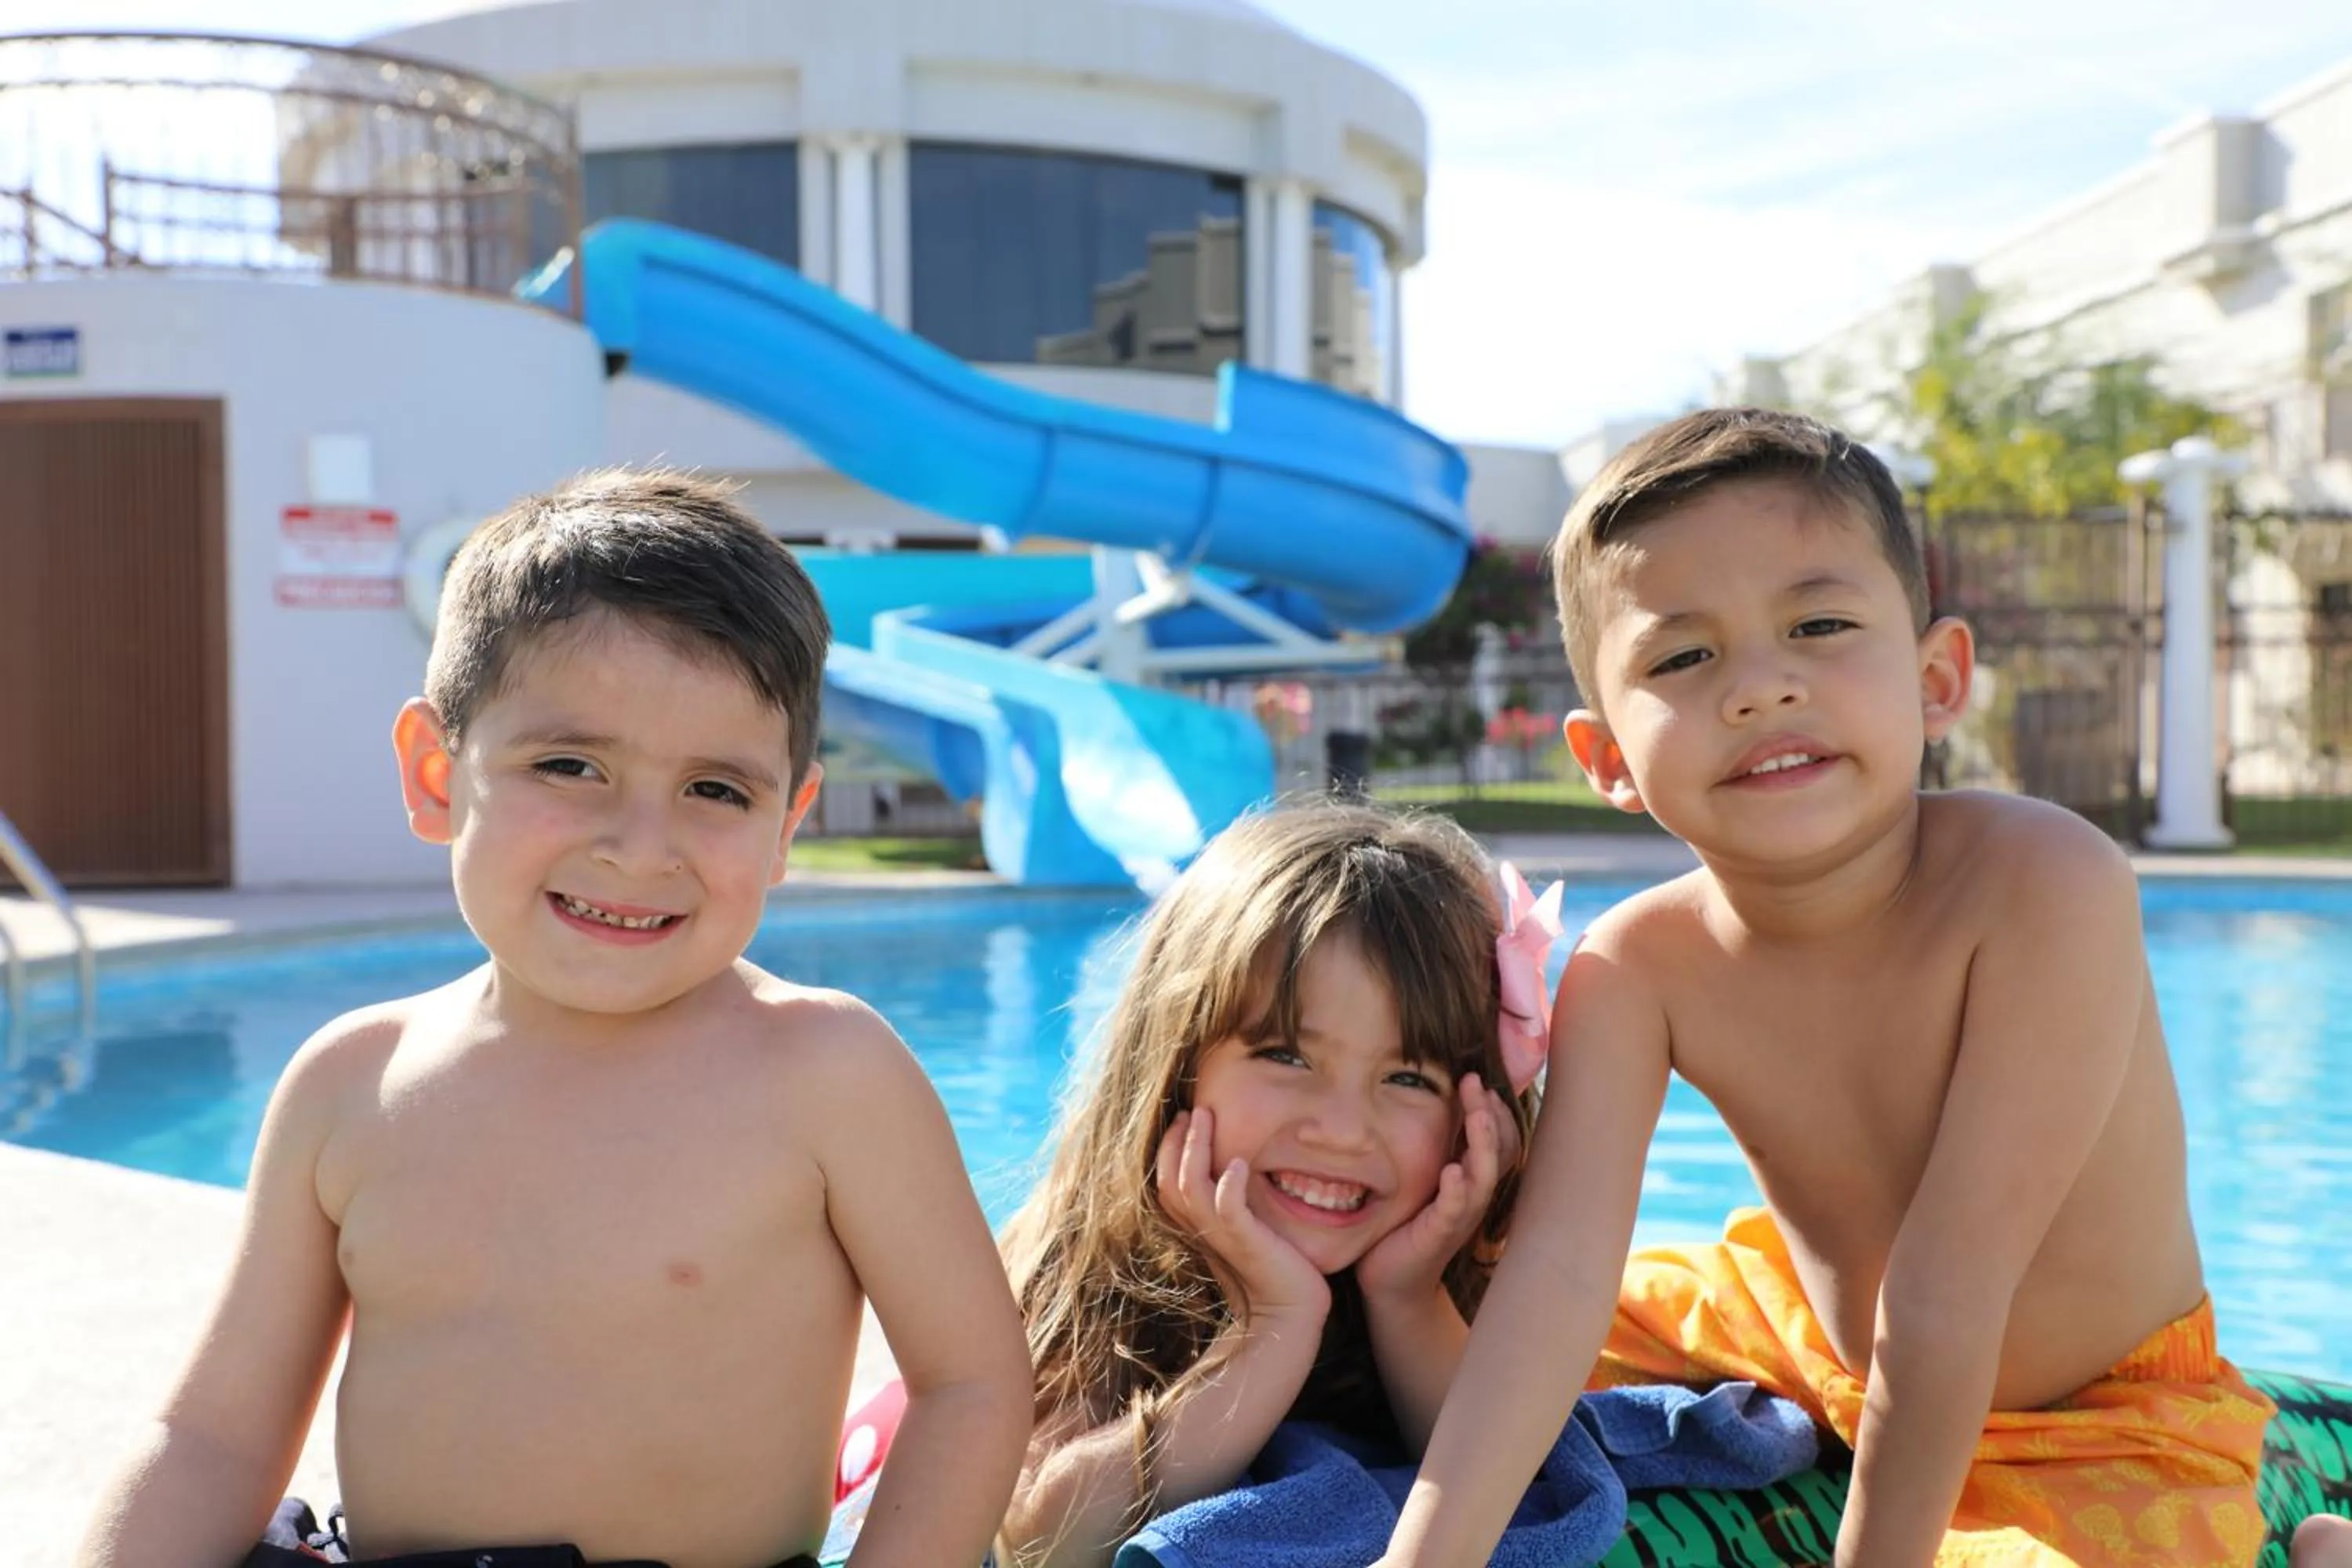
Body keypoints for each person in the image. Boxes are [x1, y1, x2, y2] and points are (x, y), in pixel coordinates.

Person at [1377, 408, 2285, 1568]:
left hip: (2099, 1414)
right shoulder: (1634, 963)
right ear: (1607, 760)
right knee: (1483, 1302)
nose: (1761, 688)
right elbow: (1558, 1278)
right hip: (1808, 1339)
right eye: (1684, 657)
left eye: (1818, 625)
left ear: (1937, 678)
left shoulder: (2046, 886)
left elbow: (1946, 1291)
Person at [75, 470, 1033, 1568]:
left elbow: (970, 1384)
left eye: (716, 790)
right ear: (437, 775)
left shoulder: (828, 1072)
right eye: (570, 766)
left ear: (787, 822)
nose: (638, 846)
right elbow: (212, 1435)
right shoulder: (353, 1082)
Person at [993, 801, 1544, 1568]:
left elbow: (1519, 1492)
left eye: (1409, 1077)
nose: (1342, 1130)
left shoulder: (1480, 1261)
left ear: (1478, 1115)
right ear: (1177, 1064)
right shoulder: (1091, 1265)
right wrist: (1276, 1325)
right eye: (1287, 1056)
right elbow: (1043, 1539)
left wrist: (1409, 1294)